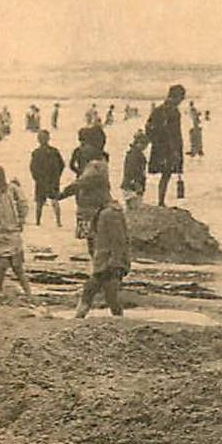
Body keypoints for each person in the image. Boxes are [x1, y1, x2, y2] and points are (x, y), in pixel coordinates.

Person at [76, 187, 134, 318]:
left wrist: (115, 261)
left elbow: (118, 240)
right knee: (99, 292)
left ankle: (80, 317)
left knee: (105, 294)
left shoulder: (109, 214)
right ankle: (80, 317)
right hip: (105, 261)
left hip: (109, 263)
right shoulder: (107, 212)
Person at [0, 165, 35, 304]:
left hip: (9, 233)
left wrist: (22, 220)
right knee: (2, 265)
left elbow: (23, 204)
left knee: (17, 266)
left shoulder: (12, 189)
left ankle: (27, 291)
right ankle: (0, 289)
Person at [144, 84, 186, 206]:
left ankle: (159, 201)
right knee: (166, 173)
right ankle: (160, 201)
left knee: (165, 173)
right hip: (168, 147)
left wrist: (154, 141)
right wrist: (175, 149)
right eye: (181, 98)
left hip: (162, 146)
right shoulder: (172, 111)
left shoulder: (160, 110)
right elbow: (174, 133)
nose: (181, 101)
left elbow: (148, 127)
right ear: (176, 96)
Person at [56, 158, 113, 248]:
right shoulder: (102, 165)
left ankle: (96, 256)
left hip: (90, 206)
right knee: (98, 233)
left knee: (91, 235)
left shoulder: (94, 167)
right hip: (101, 204)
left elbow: (79, 184)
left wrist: (61, 195)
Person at [29, 130, 65, 227]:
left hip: (41, 181)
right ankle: (58, 222)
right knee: (55, 201)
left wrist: (37, 178)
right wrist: (57, 176)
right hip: (53, 180)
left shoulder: (36, 153)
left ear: (38, 140)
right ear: (48, 139)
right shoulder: (54, 151)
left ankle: (38, 221)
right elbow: (62, 165)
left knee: (39, 203)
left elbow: (32, 168)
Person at [121, 131, 149, 206]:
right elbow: (132, 171)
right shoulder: (135, 155)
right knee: (134, 207)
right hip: (133, 186)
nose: (145, 147)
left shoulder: (133, 153)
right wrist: (137, 184)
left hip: (130, 185)